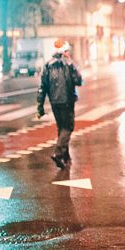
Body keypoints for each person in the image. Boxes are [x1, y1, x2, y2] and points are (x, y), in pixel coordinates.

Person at [37, 39, 83, 169]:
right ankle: (58, 153)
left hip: (54, 102)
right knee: (68, 128)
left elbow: (42, 87)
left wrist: (39, 105)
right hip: (67, 101)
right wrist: (73, 65)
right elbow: (79, 80)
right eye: (67, 51)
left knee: (61, 128)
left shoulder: (47, 65)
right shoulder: (68, 64)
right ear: (64, 52)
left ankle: (65, 157)